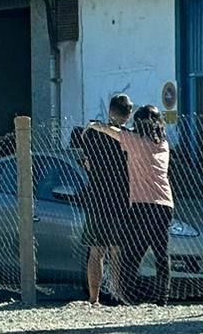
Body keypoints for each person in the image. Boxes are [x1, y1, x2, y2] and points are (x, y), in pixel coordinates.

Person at [89, 105, 174, 305]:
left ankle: (131, 295)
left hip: (142, 204)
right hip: (164, 203)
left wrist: (97, 126)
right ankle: (163, 297)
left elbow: (114, 132)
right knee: (162, 253)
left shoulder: (135, 142)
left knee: (133, 253)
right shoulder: (163, 145)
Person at [73, 93, 132, 305]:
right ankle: (117, 293)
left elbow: (85, 153)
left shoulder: (92, 135)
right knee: (117, 250)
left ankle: (94, 297)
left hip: (98, 198)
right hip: (121, 198)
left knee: (96, 251)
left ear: (110, 111)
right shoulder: (128, 138)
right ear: (128, 115)